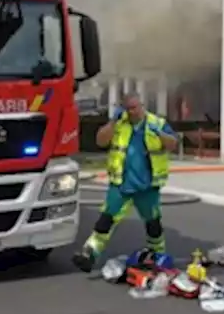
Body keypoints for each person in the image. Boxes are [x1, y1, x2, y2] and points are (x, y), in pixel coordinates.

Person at [73, 93, 179, 272]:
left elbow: (173, 144)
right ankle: (89, 254)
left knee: (153, 223)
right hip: (121, 184)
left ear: (142, 105)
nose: (132, 112)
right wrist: (113, 122)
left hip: (147, 186)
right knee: (105, 220)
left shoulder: (157, 122)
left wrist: (159, 134)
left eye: (135, 108)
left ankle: (158, 255)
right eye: (128, 109)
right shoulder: (119, 125)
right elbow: (100, 141)